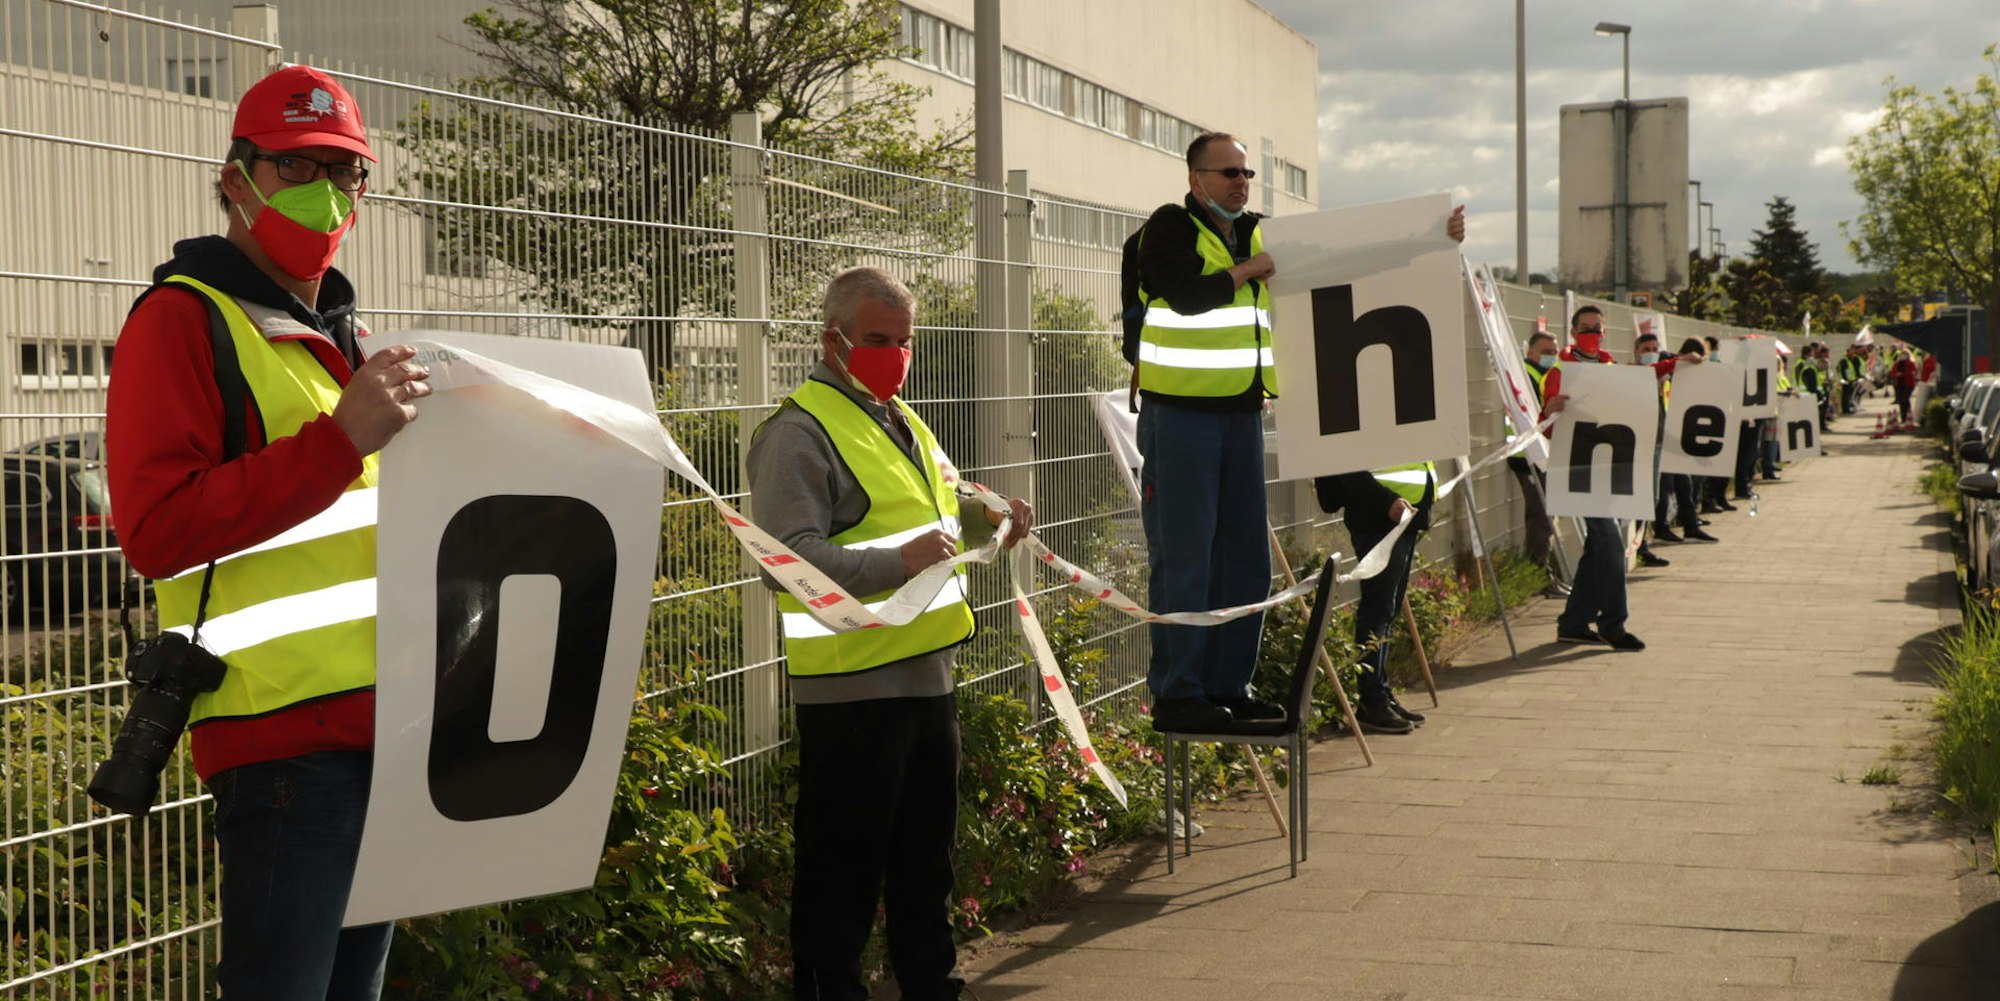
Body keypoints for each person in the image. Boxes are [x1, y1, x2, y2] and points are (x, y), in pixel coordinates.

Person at [105, 66, 429, 998]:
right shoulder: (181, 320)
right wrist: (337, 445)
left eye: (345, 169)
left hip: (384, 733)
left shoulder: (341, 338)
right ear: (236, 178)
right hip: (282, 747)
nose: (327, 191)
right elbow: (157, 530)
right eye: (297, 166)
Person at [745, 266, 1031, 1001]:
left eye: (905, 342)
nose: (895, 356)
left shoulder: (900, 418)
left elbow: (943, 511)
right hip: (850, 690)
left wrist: (993, 520)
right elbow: (785, 559)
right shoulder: (799, 432)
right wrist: (892, 562)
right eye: (878, 340)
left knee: (923, 868)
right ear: (831, 339)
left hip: (927, 679)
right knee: (841, 876)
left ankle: (931, 986)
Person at [1132, 129, 1465, 730]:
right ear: (1195, 180)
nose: (1240, 182)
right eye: (1228, 173)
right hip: (1179, 416)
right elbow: (1184, 295)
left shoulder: (1262, 231)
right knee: (1185, 559)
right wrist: (1252, 269)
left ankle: (1230, 686)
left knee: (1244, 563)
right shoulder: (1168, 228)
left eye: (1245, 174)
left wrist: (1428, 239)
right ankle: (1180, 694)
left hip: (1239, 416)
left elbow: (1345, 258)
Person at [1544, 306, 1647, 650]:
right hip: (1576, 471)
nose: (1592, 333)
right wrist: (1550, 409)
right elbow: (1544, 423)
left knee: (1598, 547)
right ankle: (1613, 624)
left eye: (1597, 328)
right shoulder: (1559, 371)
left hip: (1607, 470)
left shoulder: (1611, 367)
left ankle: (1573, 622)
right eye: (1585, 328)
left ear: (1604, 331)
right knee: (1611, 545)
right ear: (1573, 332)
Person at [1317, 463, 1436, 734]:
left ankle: (1380, 693)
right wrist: (1386, 500)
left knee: (1386, 610)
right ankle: (1372, 699)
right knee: (1378, 610)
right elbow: (1348, 460)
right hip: (1380, 515)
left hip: (1402, 513)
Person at [1507, 332, 1567, 597]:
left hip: (1540, 454)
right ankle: (1538, 576)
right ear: (1531, 352)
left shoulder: (1540, 374)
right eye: (1546, 351)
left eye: (1554, 350)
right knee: (1541, 517)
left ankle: (1542, 572)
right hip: (1528, 456)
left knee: (1545, 516)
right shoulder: (1528, 376)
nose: (1552, 355)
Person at [1647, 336, 1717, 545]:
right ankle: (1661, 527)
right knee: (1664, 487)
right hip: (1661, 437)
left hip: (1673, 436)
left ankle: (1690, 525)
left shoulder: (1678, 372)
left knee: (1683, 484)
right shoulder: (1668, 363)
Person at [1891, 349, 1919, 424]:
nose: (1903, 356)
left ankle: (1909, 416)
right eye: (1902, 354)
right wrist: (1896, 374)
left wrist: (1903, 374)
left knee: (1905, 399)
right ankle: (1903, 418)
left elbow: (1913, 373)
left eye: (1905, 354)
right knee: (1901, 401)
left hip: (1908, 384)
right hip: (1899, 384)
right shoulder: (1897, 364)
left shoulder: (1911, 364)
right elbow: (1892, 372)